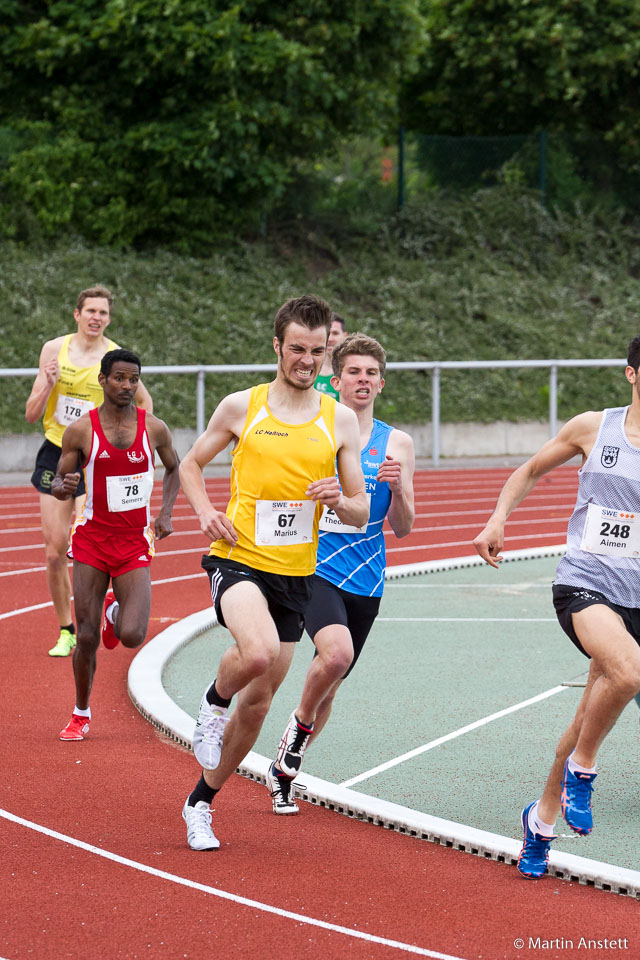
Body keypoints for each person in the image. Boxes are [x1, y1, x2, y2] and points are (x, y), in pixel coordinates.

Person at [178, 295, 368, 851]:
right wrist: (206, 511)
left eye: (316, 351)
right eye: (297, 350)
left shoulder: (340, 420)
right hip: (238, 559)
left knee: (259, 702)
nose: (307, 360)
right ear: (278, 348)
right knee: (256, 651)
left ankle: (199, 803)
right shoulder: (244, 406)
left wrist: (339, 498)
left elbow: (358, 508)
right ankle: (213, 703)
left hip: (296, 575)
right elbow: (190, 464)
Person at [473, 334, 640, 880]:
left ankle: (541, 821)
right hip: (585, 582)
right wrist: (499, 518)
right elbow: (529, 471)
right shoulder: (594, 426)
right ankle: (583, 771)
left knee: (591, 705)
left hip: (637, 592)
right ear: (631, 375)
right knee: (627, 671)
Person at [268, 332, 416, 813]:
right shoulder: (320, 427)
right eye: (353, 371)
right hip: (316, 566)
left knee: (333, 678)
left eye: (371, 373)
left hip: (368, 577)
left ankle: (286, 768)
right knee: (334, 655)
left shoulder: (398, 442)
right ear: (337, 379)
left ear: (382, 383)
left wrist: (400, 491)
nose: (362, 380)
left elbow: (404, 528)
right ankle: (298, 727)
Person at [50, 349, 179, 742]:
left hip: (133, 541)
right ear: (103, 380)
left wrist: (166, 514)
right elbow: (57, 482)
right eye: (120, 378)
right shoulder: (81, 431)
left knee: (133, 634)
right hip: (91, 539)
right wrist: (64, 487)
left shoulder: (153, 428)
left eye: (134, 379)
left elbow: (175, 468)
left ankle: (115, 613)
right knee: (85, 636)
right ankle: (81, 712)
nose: (127, 386)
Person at [25, 286, 153, 658]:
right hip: (55, 452)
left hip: (96, 456)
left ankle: (104, 611)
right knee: (54, 552)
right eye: (90, 311)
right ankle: (67, 628)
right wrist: (48, 384)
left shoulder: (113, 357)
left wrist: (126, 440)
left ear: (108, 318)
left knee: (87, 537)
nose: (97, 317)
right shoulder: (54, 350)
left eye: (103, 312)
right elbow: (32, 414)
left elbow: (143, 402)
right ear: (77, 314)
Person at [314, 312, 347, 400]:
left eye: (335, 333)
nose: (330, 339)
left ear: (344, 336)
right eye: (327, 333)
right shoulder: (306, 369)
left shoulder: (351, 372)